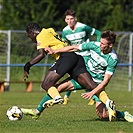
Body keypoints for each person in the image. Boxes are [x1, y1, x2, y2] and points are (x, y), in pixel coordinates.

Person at [21, 29, 133, 122]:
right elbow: (73, 48)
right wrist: (56, 51)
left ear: (110, 45)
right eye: (100, 42)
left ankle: (123, 114)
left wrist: (92, 92)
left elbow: (106, 81)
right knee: (56, 88)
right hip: (82, 75)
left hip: (96, 83)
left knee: (103, 115)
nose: (100, 45)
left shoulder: (113, 59)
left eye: (103, 44)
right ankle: (37, 111)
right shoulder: (95, 45)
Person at [61, 9, 101, 105]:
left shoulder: (83, 27)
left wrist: (98, 47)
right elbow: (64, 45)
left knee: (87, 77)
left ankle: (94, 96)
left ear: (75, 19)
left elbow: (98, 33)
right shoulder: (65, 31)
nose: (70, 21)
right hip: (75, 57)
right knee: (72, 76)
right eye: (67, 19)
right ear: (65, 20)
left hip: (86, 55)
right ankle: (66, 97)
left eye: (71, 19)